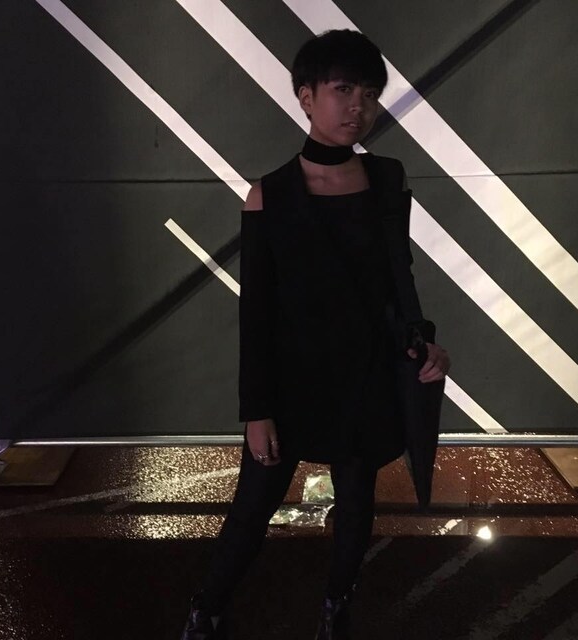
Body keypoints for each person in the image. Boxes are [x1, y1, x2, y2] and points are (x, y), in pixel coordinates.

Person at [180, 29, 450, 640]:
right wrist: (256, 410)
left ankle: (336, 608)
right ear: (306, 96)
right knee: (253, 508)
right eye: (343, 89)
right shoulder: (268, 195)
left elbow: (398, 276)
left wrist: (421, 340)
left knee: (357, 503)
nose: (359, 106)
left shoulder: (387, 178)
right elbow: (257, 313)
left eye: (370, 94)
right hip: (293, 383)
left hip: (369, 375)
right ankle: (206, 607)